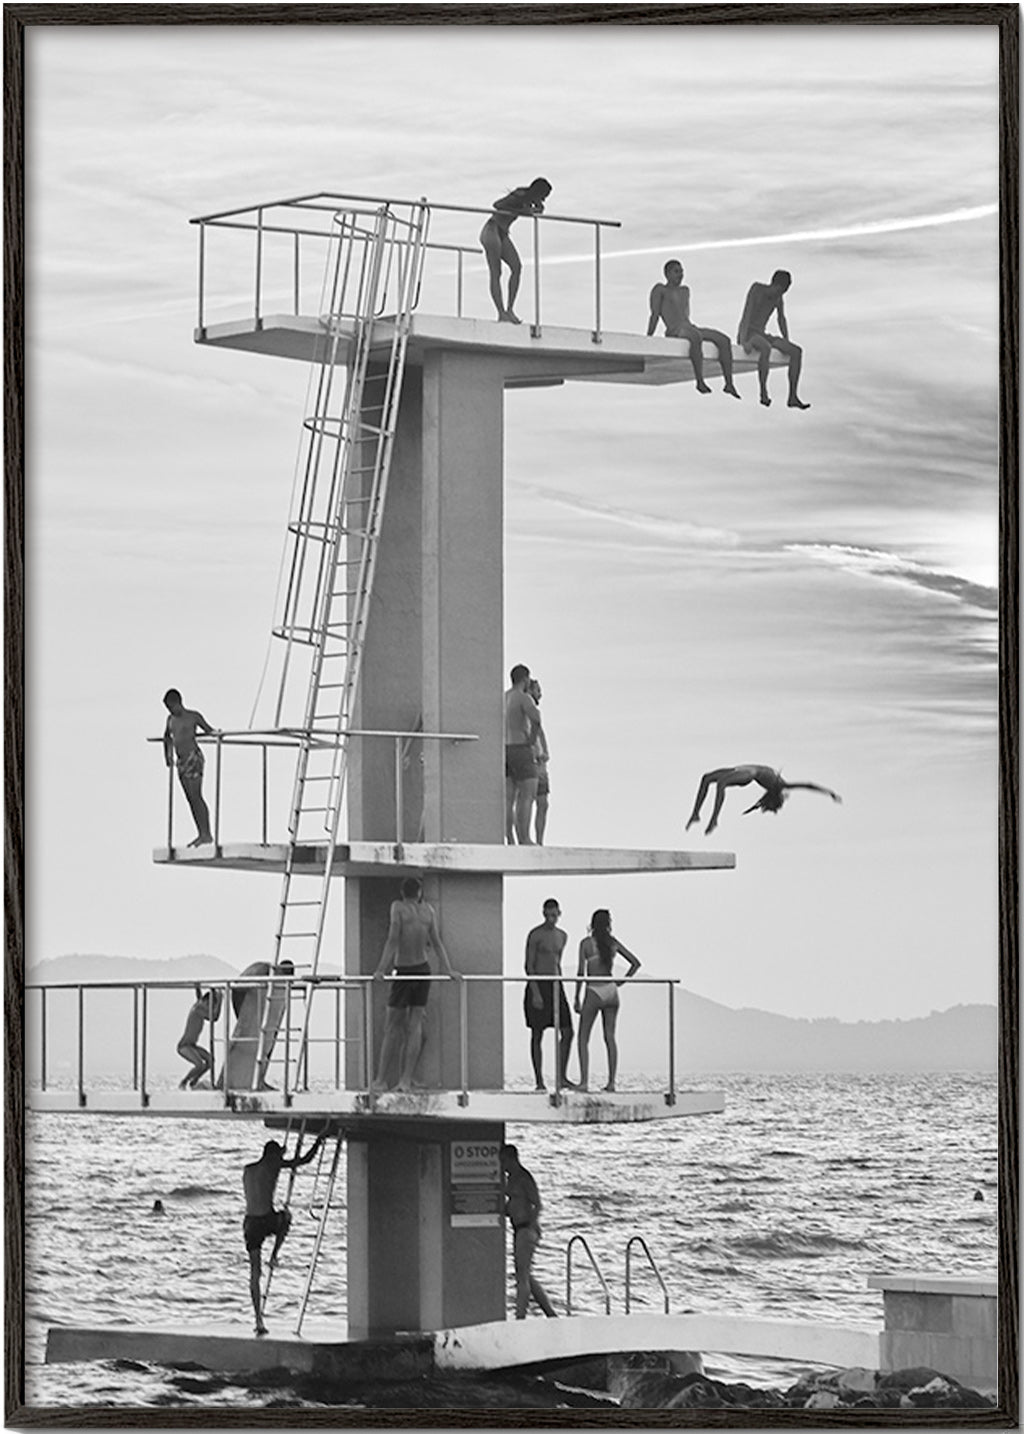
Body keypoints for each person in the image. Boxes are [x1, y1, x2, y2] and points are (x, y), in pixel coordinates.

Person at [372, 877, 461, 1092]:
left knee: (392, 1027)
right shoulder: (428, 911)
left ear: (403, 893)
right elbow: (437, 942)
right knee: (415, 1027)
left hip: (404, 971)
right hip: (423, 969)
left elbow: (393, 939)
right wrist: (448, 969)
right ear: (419, 892)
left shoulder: (398, 908)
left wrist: (381, 969)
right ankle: (405, 1079)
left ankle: (381, 1080)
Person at [242, 1132, 325, 1335]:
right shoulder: (273, 1165)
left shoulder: (249, 1169)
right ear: (273, 1156)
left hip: (250, 1223)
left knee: (254, 1273)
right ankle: (274, 1255)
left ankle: (258, 1320)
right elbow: (304, 1160)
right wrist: (318, 1142)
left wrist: (280, 1154)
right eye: (278, 1156)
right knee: (286, 1217)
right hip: (266, 1220)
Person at [647, 260, 740, 398]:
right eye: (676, 272)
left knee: (723, 340)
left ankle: (729, 383)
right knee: (695, 336)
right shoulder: (660, 290)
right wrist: (649, 337)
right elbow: (655, 314)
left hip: (689, 327)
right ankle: (700, 381)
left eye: (682, 271)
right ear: (667, 274)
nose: (680, 275)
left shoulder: (685, 290)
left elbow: (685, 315)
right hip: (675, 330)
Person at [574, 909, 641, 1093]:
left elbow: (581, 973)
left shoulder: (586, 944)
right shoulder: (612, 943)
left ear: (592, 924)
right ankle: (611, 1083)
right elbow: (635, 963)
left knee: (583, 1037)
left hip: (594, 989)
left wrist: (576, 997)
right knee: (610, 1037)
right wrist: (623, 980)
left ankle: (584, 1082)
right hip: (611, 991)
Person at [685, 764, 842, 836]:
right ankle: (695, 814)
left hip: (749, 773)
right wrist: (829, 793)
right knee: (706, 778)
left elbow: (808, 785)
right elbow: (808, 785)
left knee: (721, 784)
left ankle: (714, 820)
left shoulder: (781, 785)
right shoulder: (778, 786)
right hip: (739, 769)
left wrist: (830, 793)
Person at [480, 178, 552, 324]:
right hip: (492, 229)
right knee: (496, 272)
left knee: (517, 267)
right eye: (543, 195)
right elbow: (497, 205)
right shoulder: (520, 195)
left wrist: (535, 207)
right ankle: (501, 312)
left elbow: (539, 210)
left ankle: (510, 309)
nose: (544, 199)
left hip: (503, 233)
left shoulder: (528, 199)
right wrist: (522, 211)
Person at [736, 270, 810, 409]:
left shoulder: (778, 298)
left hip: (762, 334)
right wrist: (743, 340)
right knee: (766, 348)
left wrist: (786, 339)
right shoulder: (757, 289)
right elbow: (747, 313)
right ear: (774, 284)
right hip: (750, 333)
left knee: (796, 351)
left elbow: (781, 318)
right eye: (779, 291)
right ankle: (763, 392)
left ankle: (792, 396)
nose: (779, 295)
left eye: (783, 293)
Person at [500, 1144, 557, 1320]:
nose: (502, 1166)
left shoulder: (524, 1178)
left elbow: (537, 1204)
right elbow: (514, 1204)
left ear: (511, 1159)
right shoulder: (511, 1179)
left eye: (503, 1161)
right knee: (524, 1274)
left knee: (522, 1276)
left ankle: (520, 1317)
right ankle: (550, 1313)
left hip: (527, 1229)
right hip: (518, 1228)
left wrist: (529, 1224)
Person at [524, 898, 574, 1091]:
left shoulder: (563, 935)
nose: (551, 918)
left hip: (555, 984)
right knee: (537, 1033)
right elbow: (529, 964)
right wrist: (535, 992)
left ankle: (561, 1076)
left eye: (554, 915)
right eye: (548, 915)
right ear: (543, 913)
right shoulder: (535, 935)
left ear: (559, 914)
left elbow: (557, 961)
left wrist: (560, 984)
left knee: (568, 1031)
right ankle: (539, 1081)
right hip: (538, 984)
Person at [162, 688, 214, 847]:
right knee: (190, 798)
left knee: (197, 795)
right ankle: (201, 833)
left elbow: (208, 729)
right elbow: (167, 738)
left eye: (171, 706)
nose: (171, 710)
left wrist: (216, 733)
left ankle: (207, 833)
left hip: (193, 757)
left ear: (178, 702)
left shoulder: (192, 716)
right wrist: (167, 755)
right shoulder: (170, 720)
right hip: (181, 761)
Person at [505, 664, 542, 845]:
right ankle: (524, 838)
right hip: (521, 748)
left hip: (505, 748)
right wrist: (532, 740)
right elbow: (536, 719)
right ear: (525, 678)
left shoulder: (504, 698)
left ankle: (509, 837)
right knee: (527, 795)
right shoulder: (524, 698)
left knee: (508, 798)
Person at [176, 985, 223, 1089]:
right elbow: (215, 1017)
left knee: (210, 1061)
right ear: (206, 1002)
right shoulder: (198, 1009)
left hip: (192, 1045)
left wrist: (198, 987)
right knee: (199, 1065)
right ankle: (183, 1082)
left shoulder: (200, 1005)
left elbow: (199, 997)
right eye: (210, 1006)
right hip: (184, 1046)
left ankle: (194, 1081)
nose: (209, 1010)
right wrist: (220, 1000)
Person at [527, 677, 550, 844]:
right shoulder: (525, 711)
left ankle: (540, 841)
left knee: (543, 803)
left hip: (541, 762)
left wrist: (545, 751)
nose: (540, 694)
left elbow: (540, 734)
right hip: (531, 761)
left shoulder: (534, 712)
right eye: (537, 690)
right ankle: (523, 838)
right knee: (525, 800)